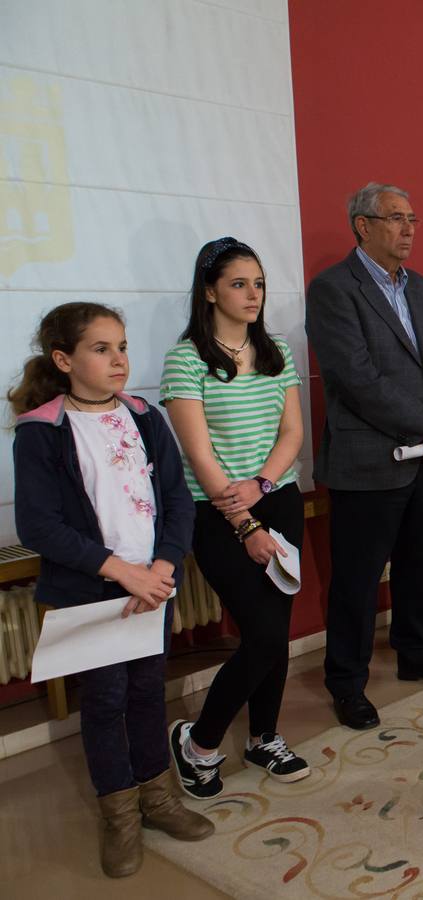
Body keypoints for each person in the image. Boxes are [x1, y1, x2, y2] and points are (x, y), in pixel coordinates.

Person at [11, 303, 213, 878]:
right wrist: (123, 572)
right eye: (101, 349)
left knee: (150, 692)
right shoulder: (42, 430)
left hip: (155, 585)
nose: (119, 359)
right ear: (63, 359)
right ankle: (119, 814)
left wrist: (165, 566)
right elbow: (39, 524)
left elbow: (176, 498)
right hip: (94, 590)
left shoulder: (146, 415)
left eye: (121, 346)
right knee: (105, 702)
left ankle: (157, 799)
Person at [305, 183, 423, 732]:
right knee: (356, 579)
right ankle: (347, 681)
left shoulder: (420, 288)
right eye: (396, 218)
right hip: (370, 460)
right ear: (363, 225)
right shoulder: (334, 289)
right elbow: (355, 378)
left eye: (412, 218)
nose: (408, 229)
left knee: (420, 565)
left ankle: (416, 652)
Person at [160, 237, 309, 799]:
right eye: (239, 283)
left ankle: (264, 737)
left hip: (277, 496)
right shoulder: (185, 357)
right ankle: (197, 744)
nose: (253, 294)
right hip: (218, 510)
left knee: (274, 631)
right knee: (266, 636)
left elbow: (293, 432)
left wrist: (264, 484)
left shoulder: (275, 352)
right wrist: (245, 521)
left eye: (259, 283)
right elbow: (198, 453)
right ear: (209, 291)